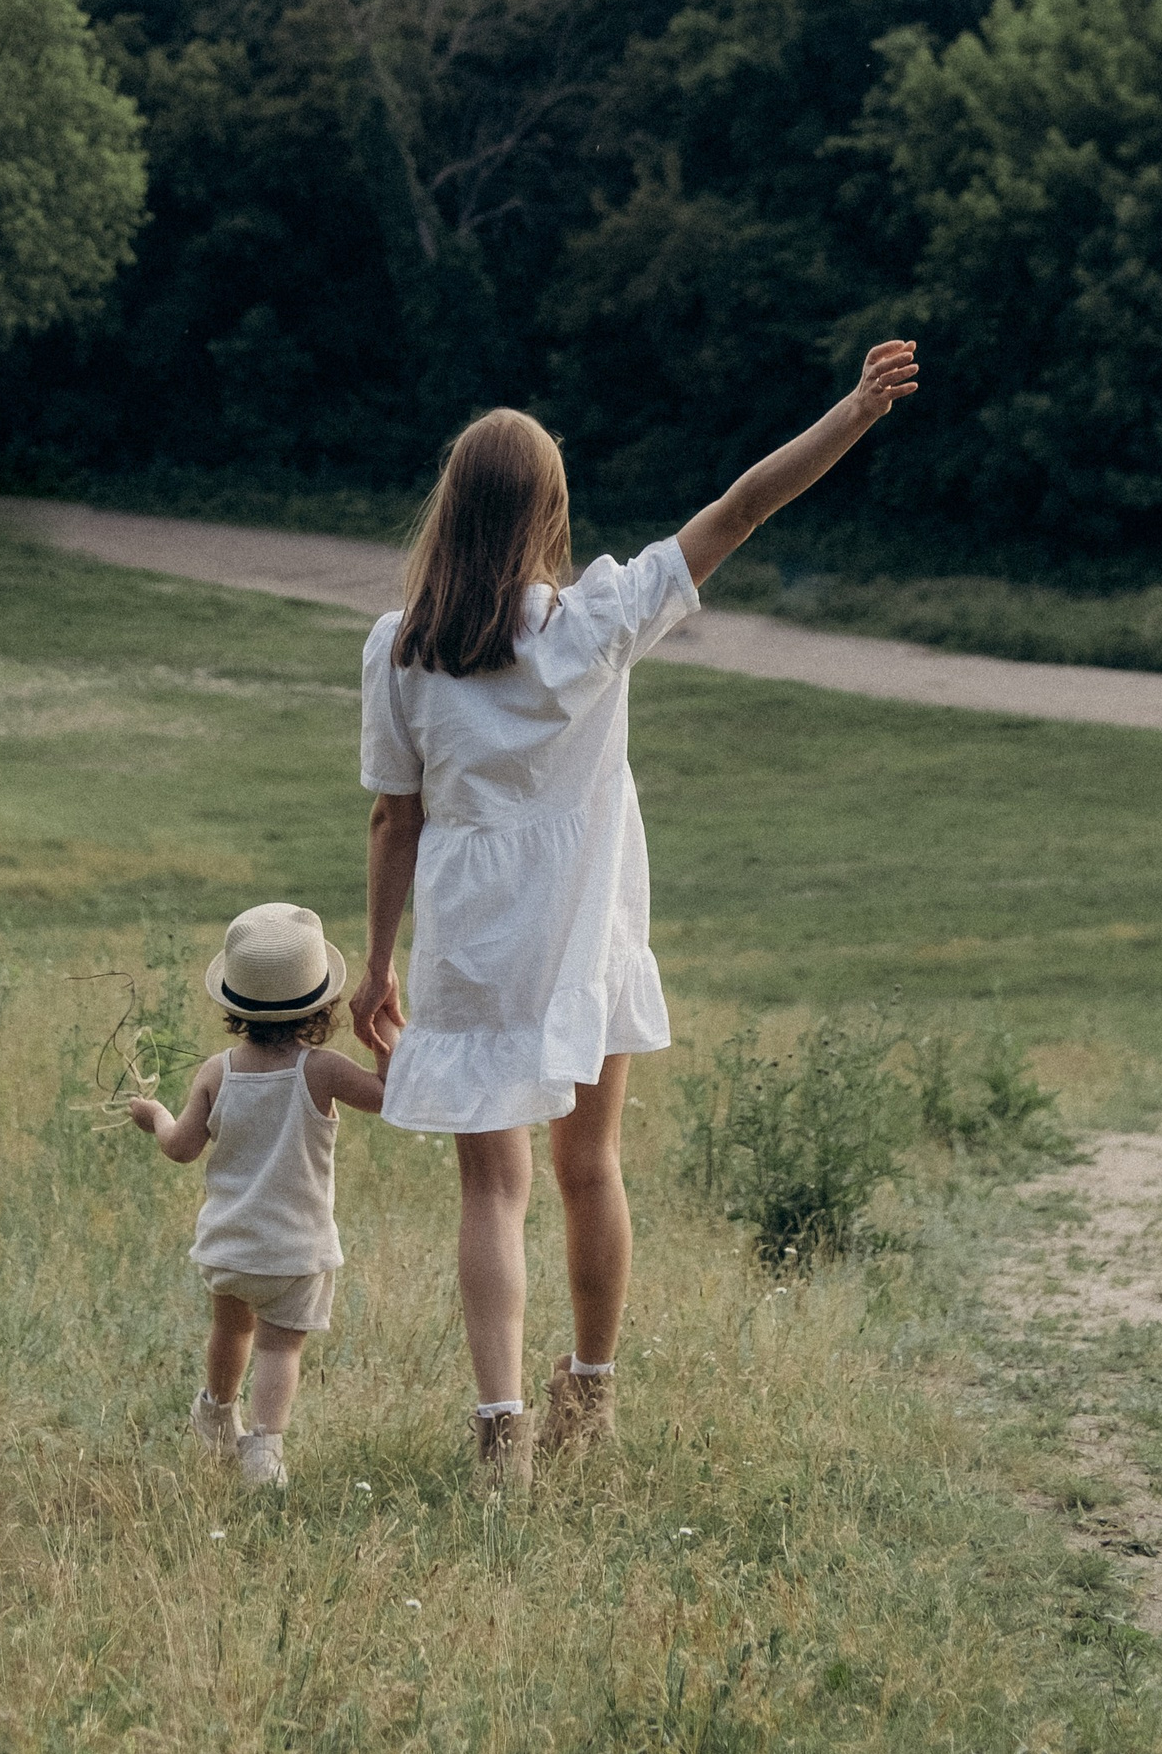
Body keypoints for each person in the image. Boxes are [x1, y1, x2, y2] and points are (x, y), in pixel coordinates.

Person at [352, 346, 919, 1487]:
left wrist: (374, 964)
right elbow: (744, 503)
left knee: (490, 1189)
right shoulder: (597, 619)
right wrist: (852, 412)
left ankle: (500, 1427)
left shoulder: (400, 646)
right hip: (584, 930)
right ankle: (590, 1396)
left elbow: (392, 822)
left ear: (449, 511)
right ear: (550, 511)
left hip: (472, 940)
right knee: (588, 1163)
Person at [128, 900, 396, 1490]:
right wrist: (381, 1034)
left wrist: (156, 1117)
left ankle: (217, 1414)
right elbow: (388, 1094)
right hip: (294, 1252)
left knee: (231, 1330)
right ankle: (264, 1450)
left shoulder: (216, 1072)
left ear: (234, 1003)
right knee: (279, 1349)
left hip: (227, 1246)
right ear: (321, 1002)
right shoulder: (321, 1070)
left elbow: (181, 1148)